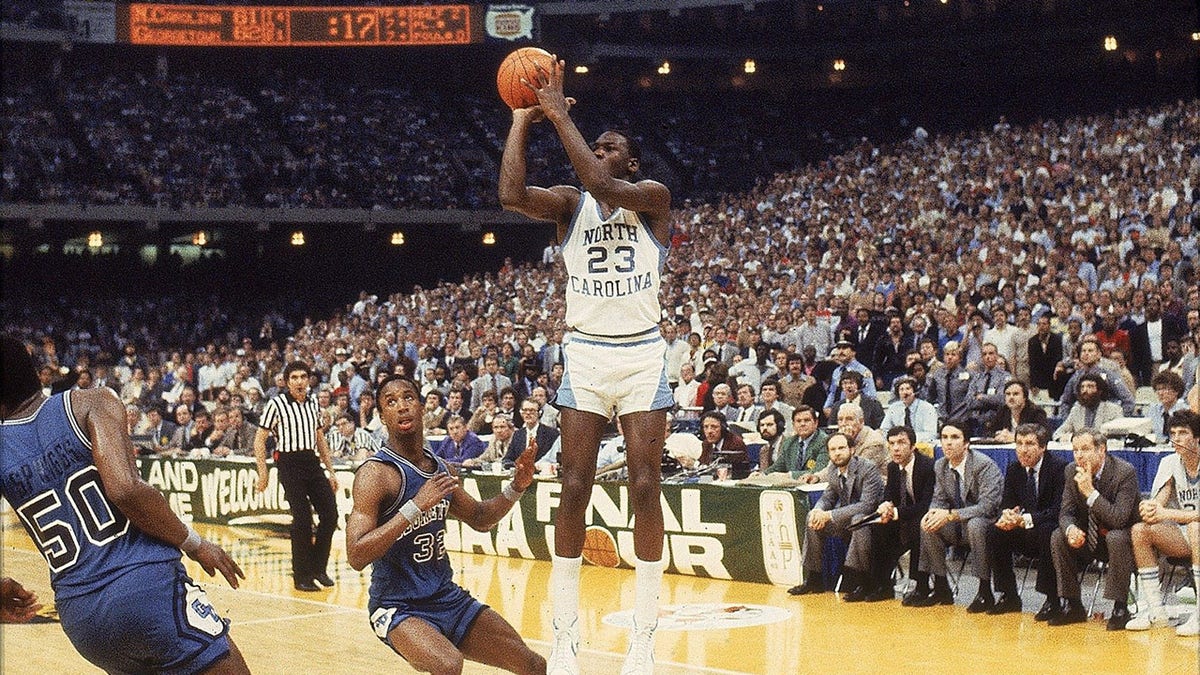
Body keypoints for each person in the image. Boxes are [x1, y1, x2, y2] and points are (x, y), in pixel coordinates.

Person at [499, 54, 674, 675]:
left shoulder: (651, 199)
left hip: (642, 354)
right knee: (573, 487)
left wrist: (559, 116)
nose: (600, 151)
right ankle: (565, 634)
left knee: (646, 486)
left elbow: (604, 185)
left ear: (630, 162)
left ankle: (646, 637)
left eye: (611, 146)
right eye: (594, 143)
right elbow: (511, 194)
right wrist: (525, 119)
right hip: (587, 354)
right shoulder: (570, 206)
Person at [0, 334, 249, 673]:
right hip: (145, 589)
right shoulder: (91, 402)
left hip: (81, 619)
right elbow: (125, 490)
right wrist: (196, 543)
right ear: (33, 370)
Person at [345, 375, 545, 674]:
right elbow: (356, 555)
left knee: (532, 664)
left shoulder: (441, 469)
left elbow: (480, 518)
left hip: (445, 596)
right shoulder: (375, 474)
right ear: (382, 416)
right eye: (391, 402)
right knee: (448, 664)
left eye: (408, 398)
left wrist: (517, 485)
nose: (402, 407)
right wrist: (414, 507)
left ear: (422, 406)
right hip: (397, 605)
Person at [255, 361, 340, 593]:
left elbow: (320, 439)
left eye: (303, 376)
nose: (300, 381)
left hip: (311, 461)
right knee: (302, 520)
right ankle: (301, 576)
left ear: (308, 379)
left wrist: (330, 471)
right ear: (287, 381)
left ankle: (318, 568)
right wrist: (263, 473)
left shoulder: (313, 403)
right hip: (288, 463)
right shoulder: (277, 404)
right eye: (294, 377)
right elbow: (259, 440)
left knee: (331, 515)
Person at [1047, 429, 1140, 630]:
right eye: (1075, 450)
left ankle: (1120, 608)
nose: (1079, 455)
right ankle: (1072, 604)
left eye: (1085, 449)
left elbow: (1119, 518)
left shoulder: (1124, 472)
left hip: (1122, 540)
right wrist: (1071, 529)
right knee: (1058, 536)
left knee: (1116, 537)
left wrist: (1090, 493)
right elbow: (1066, 513)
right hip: (1088, 537)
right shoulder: (1072, 470)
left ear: (1101, 450)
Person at [906, 421, 1002, 609]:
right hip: (958, 523)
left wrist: (950, 515)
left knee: (976, 524)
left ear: (966, 443)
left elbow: (988, 506)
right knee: (928, 523)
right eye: (944, 438)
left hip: (987, 524)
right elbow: (938, 499)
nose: (948, 443)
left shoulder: (984, 465)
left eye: (955, 437)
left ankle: (984, 591)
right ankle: (942, 586)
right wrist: (933, 513)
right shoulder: (940, 465)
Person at [1125, 410, 1200, 636]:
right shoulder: (1169, 462)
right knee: (1140, 530)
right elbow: (1160, 501)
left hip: (1196, 531)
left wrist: (1165, 514)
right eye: (1173, 433)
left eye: (1183, 433)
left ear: (1197, 438)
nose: (1176, 438)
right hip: (1186, 535)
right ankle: (1154, 610)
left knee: (1196, 528)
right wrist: (1150, 509)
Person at [982, 423, 1068, 616]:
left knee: (1048, 531)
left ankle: (1052, 600)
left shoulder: (1059, 468)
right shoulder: (1014, 469)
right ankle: (1009, 595)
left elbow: (1057, 511)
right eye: (1019, 443)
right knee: (994, 531)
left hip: (1048, 527)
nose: (1023, 449)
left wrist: (1024, 519)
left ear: (1043, 447)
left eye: (1029, 444)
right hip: (1025, 528)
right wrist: (1007, 516)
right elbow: (1007, 503)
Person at [788, 432, 883, 596]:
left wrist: (830, 515)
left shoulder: (868, 468)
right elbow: (827, 497)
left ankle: (862, 581)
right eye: (833, 449)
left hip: (872, 520)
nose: (837, 453)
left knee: (858, 519)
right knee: (813, 518)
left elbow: (868, 505)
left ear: (852, 450)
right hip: (845, 519)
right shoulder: (833, 469)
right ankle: (814, 579)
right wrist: (818, 510)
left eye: (841, 448)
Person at [866, 426, 936, 603]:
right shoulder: (892, 466)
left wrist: (896, 512)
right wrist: (886, 505)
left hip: (925, 517)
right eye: (891, 444)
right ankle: (882, 584)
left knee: (917, 525)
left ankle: (920, 585)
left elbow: (926, 504)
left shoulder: (928, 466)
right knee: (878, 525)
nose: (896, 448)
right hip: (903, 518)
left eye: (901, 443)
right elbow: (890, 494)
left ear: (913, 446)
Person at [762, 406, 829, 479]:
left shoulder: (825, 441)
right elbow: (777, 467)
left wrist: (790, 475)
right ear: (793, 425)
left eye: (807, 420)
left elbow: (819, 470)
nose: (802, 424)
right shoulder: (789, 443)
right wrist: (762, 474)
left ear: (816, 423)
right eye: (798, 421)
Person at [1053, 373, 1124, 442]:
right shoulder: (1076, 410)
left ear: (1100, 390)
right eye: (1082, 387)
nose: (1085, 390)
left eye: (1090, 387)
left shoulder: (1114, 410)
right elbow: (1057, 434)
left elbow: (1118, 437)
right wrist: (1073, 438)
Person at [983, 380, 1049, 442]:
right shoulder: (1004, 410)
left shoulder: (1036, 412)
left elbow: (1045, 435)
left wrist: (1015, 438)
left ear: (1024, 397)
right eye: (1008, 394)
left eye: (1016, 394)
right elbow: (988, 432)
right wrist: (997, 434)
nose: (1011, 397)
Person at [880, 376, 938, 443]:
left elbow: (931, 434)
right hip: (898, 444)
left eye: (908, 389)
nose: (905, 392)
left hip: (921, 444)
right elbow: (884, 429)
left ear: (914, 391)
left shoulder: (927, 408)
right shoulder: (893, 408)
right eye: (901, 389)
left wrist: (906, 438)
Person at [504, 399, 560, 467]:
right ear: (521, 413)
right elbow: (507, 459)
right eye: (525, 410)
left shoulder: (551, 433)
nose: (528, 413)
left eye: (532, 410)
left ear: (539, 413)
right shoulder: (517, 434)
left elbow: (554, 460)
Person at [1146, 370, 1190, 443]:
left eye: (1165, 389)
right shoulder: (1153, 410)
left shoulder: (1185, 411)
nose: (1160, 393)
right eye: (1158, 389)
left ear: (1176, 391)